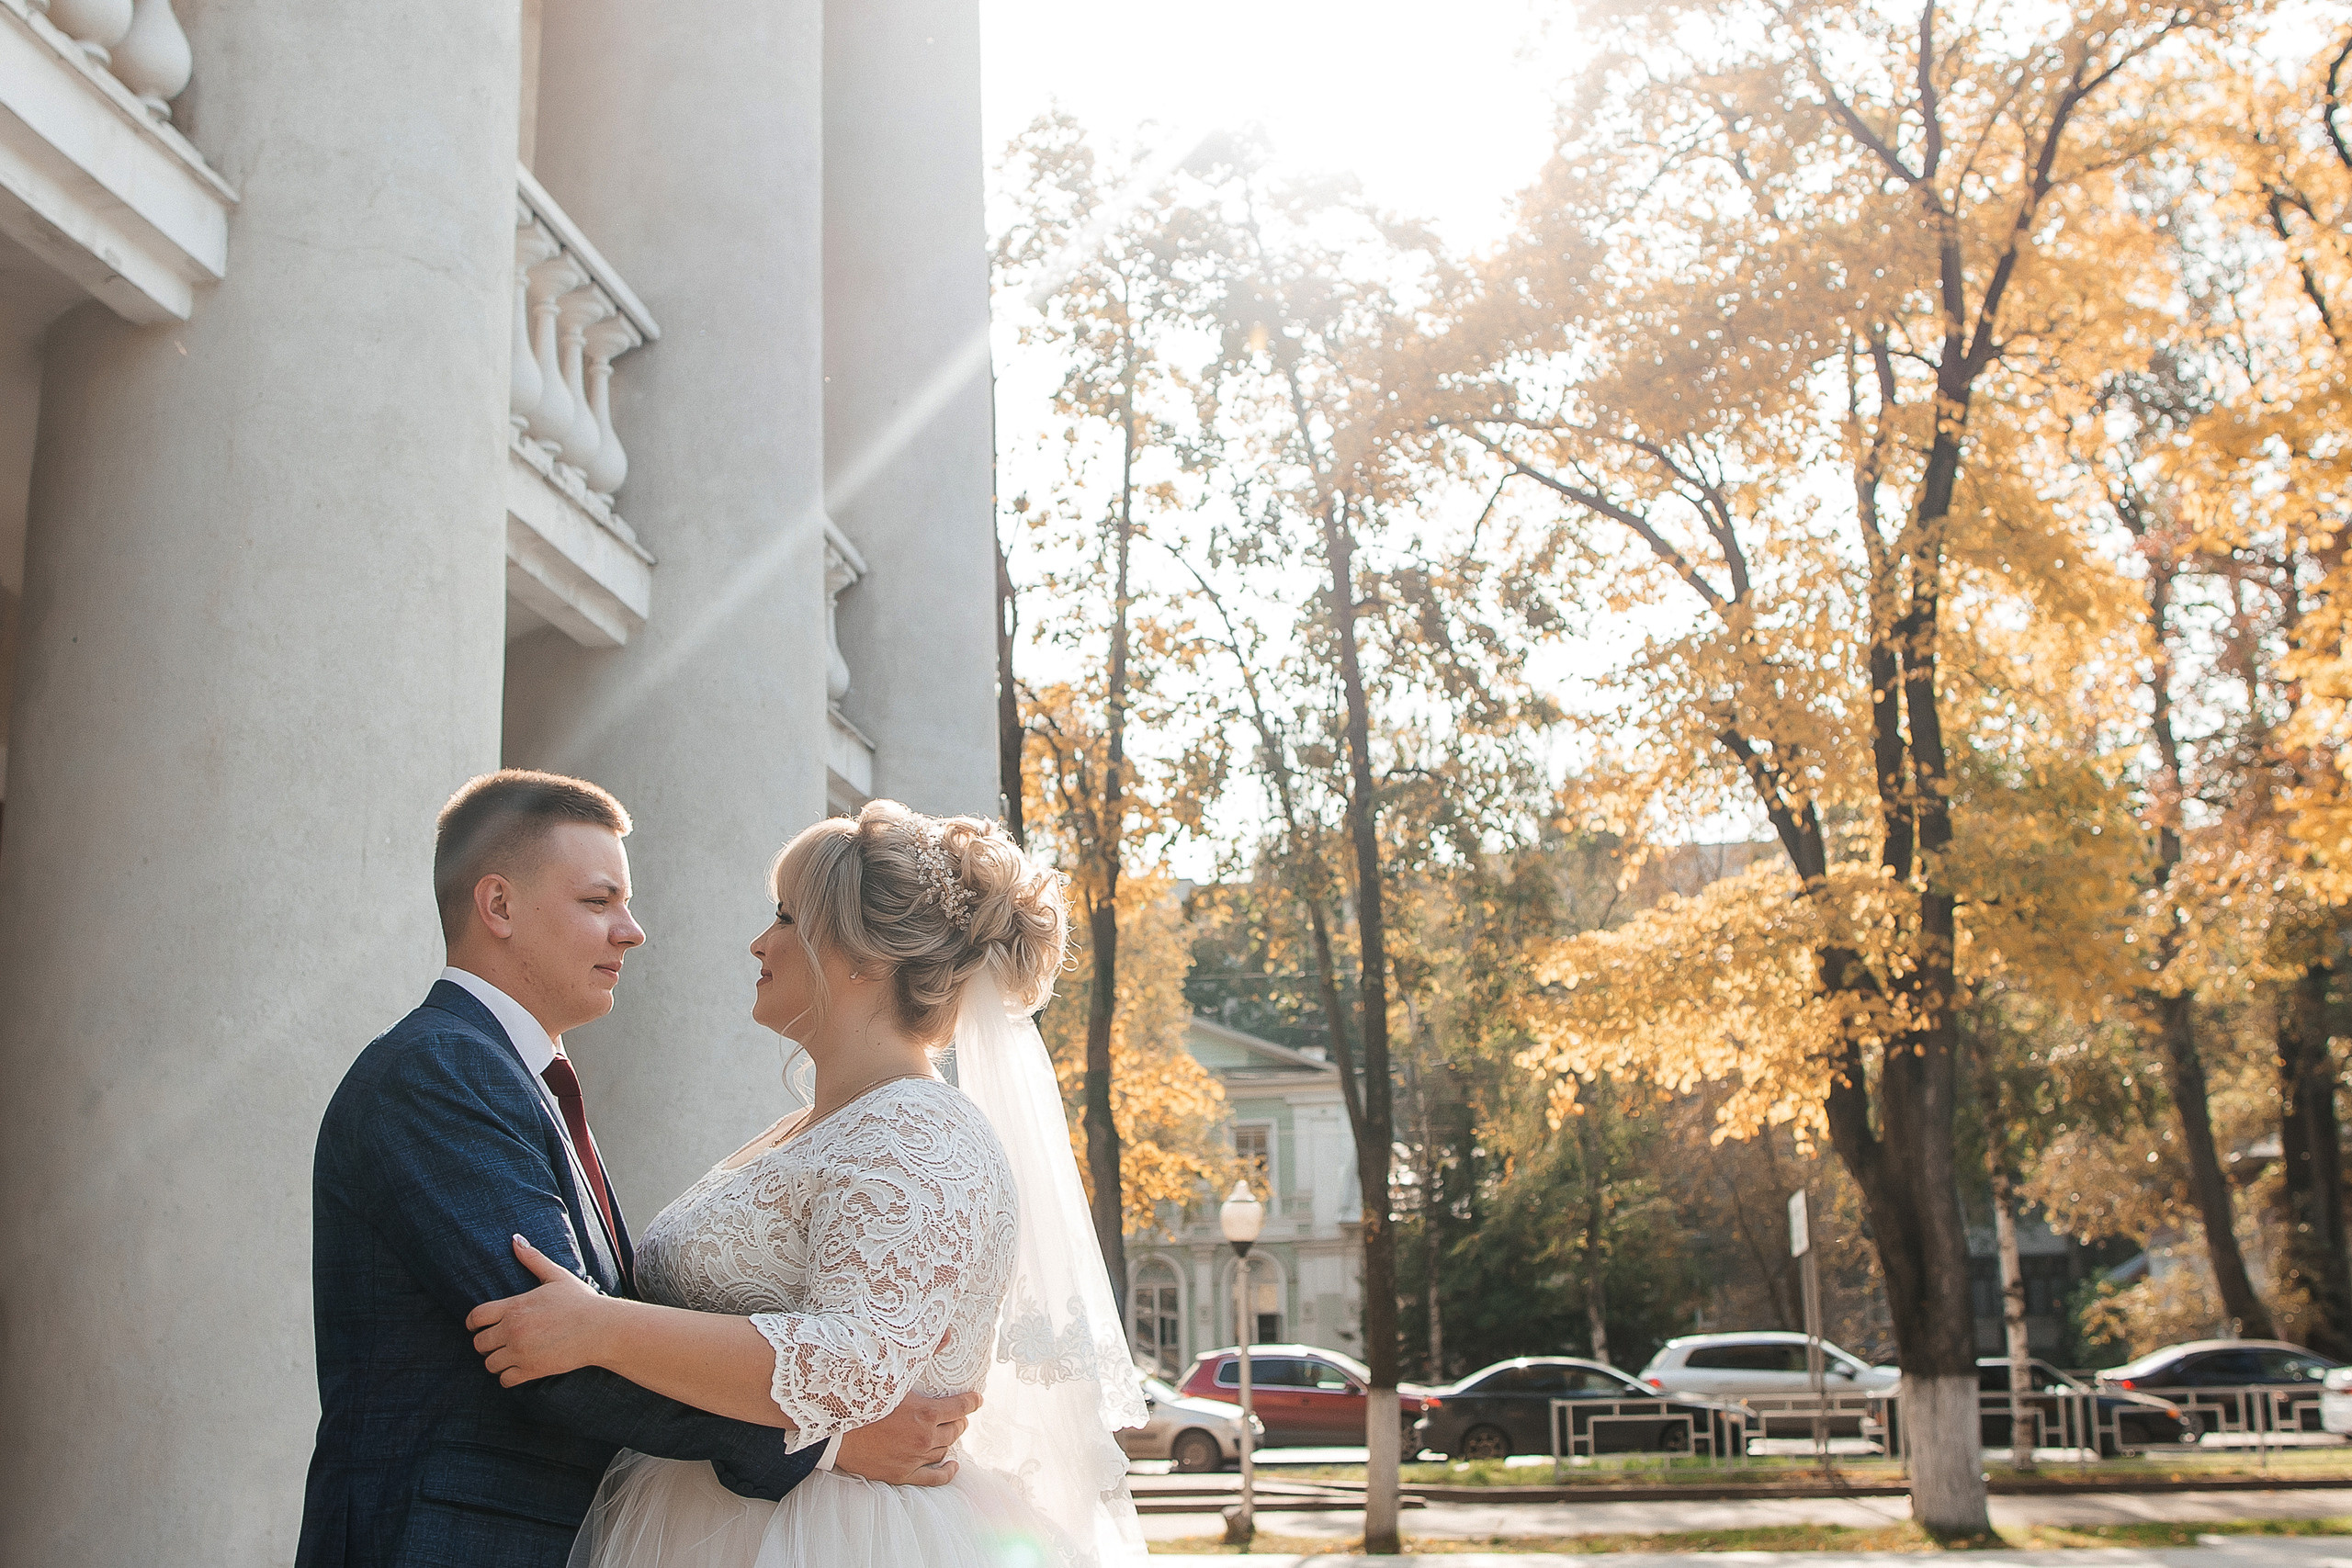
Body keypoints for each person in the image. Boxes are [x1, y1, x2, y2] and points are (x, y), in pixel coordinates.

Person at [298, 771, 976, 1568]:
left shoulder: (515, 1076)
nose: (633, 930)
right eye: (599, 900)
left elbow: (593, 1326)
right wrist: (826, 1443)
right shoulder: (439, 1071)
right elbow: (556, 1346)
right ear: (500, 906)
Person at [464, 800, 1148, 1568]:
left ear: (862, 957)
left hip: (836, 1537)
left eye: (787, 918)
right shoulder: (808, 1129)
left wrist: (602, 1328)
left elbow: (853, 1363)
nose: (760, 942)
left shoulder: (919, 1133)